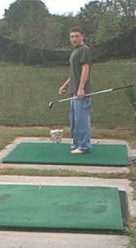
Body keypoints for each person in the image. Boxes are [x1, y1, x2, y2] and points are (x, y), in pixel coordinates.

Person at [58, 26, 92, 154]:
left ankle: (84, 146)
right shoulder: (75, 51)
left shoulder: (84, 49)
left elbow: (85, 69)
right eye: (72, 36)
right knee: (74, 120)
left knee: (82, 119)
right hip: (74, 92)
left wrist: (81, 88)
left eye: (77, 36)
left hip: (81, 93)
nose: (74, 39)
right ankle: (77, 143)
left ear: (83, 36)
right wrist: (65, 86)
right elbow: (74, 73)